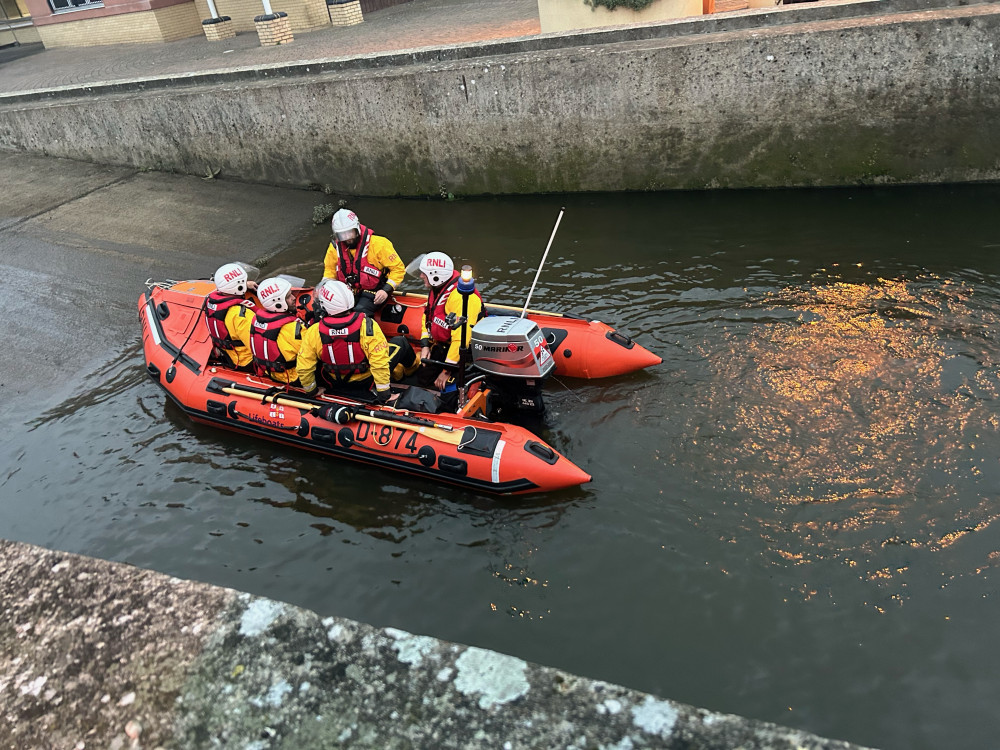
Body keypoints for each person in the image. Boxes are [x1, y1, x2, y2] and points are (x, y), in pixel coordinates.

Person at [297, 280, 414, 404]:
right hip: (366, 380)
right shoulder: (367, 325)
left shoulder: (315, 331)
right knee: (400, 342)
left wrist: (312, 391)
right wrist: (384, 393)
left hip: (334, 380)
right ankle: (413, 371)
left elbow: (304, 367)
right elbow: (379, 363)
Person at [417, 252, 484, 392]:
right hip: (443, 344)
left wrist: (446, 371)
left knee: (446, 388)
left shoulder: (461, 298)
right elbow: (428, 316)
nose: (421, 276)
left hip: (466, 350)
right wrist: (425, 345)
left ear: (436, 276)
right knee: (422, 378)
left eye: (424, 273)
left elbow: (462, 338)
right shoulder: (437, 288)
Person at [322, 208, 405, 315]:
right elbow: (330, 271)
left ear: (357, 229)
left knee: (361, 311)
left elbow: (398, 269)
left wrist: (386, 290)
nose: (348, 239)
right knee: (324, 310)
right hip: (348, 290)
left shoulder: (380, 244)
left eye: (350, 233)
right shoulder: (334, 248)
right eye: (342, 235)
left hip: (375, 290)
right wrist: (323, 288)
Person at [249, 277, 304, 386]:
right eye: (288, 296)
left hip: (270, 372)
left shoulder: (256, 319)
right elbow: (315, 354)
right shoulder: (293, 328)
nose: (294, 298)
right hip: (292, 377)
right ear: (278, 303)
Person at [205, 262, 257, 370]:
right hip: (246, 361)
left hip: (230, 355)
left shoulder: (212, 303)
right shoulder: (242, 315)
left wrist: (245, 285)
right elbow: (257, 347)